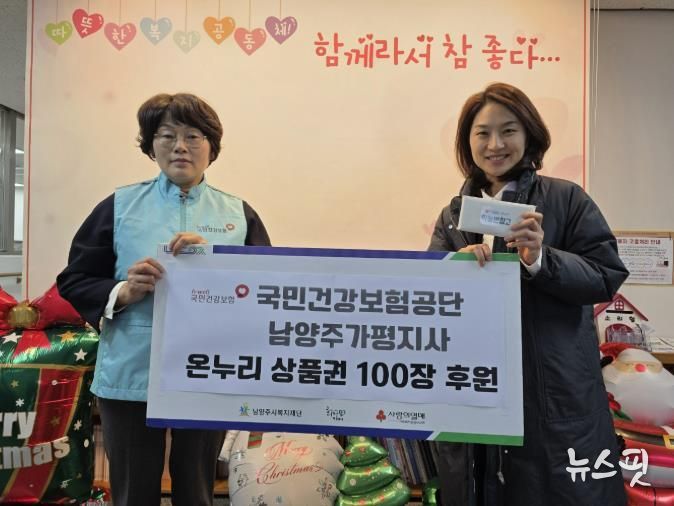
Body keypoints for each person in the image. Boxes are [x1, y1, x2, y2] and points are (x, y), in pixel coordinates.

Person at [57, 93, 271, 506]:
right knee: (133, 492)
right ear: (151, 146)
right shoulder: (119, 207)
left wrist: (215, 265)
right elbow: (75, 279)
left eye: (193, 136)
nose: (180, 147)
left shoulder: (238, 214)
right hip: (130, 372)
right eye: (167, 135)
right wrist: (123, 290)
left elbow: (264, 290)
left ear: (211, 147)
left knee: (197, 489)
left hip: (209, 371)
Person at [428, 83, 628, 505]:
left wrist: (540, 259)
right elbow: (429, 297)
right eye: (482, 133)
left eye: (508, 131)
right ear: (467, 141)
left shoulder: (566, 200)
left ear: (529, 135)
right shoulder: (453, 215)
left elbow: (605, 274)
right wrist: (452, 273)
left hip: (554, 394)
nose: (495, 144)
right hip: (474, 390)